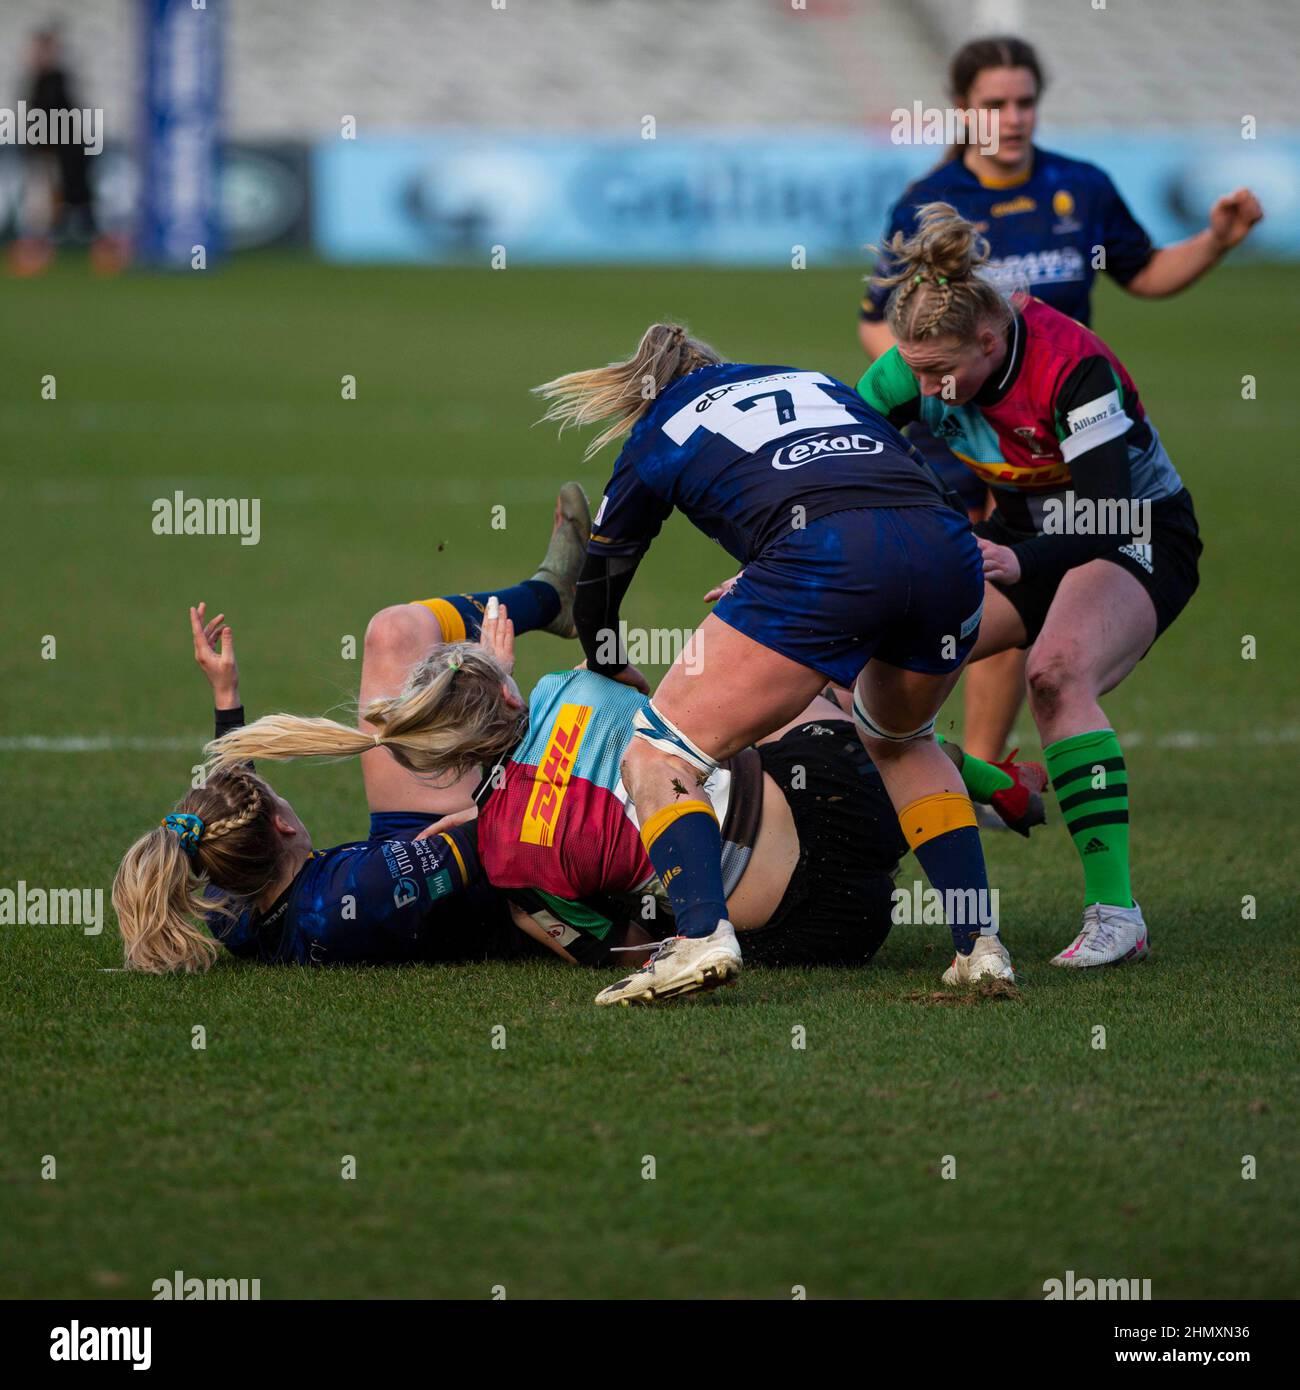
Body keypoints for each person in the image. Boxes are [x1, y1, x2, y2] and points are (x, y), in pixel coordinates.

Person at [528, 322, 1012, 1000]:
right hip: (946, 548)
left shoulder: (661, 426)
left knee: (659, 754)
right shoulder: (814, 381)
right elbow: (898, 474)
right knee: (901, 743)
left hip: (828, 556)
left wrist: (604, 657)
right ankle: (980, 945)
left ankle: (700, 939)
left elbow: (600, 578)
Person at [857, 34, 1262, 773]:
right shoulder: (923, 205)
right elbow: (883, 325)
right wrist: (932, 382)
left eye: (1024, 102)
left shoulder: (1082, 186)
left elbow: (1142, 274)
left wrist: (1214, 241)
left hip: (1062, 423)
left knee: (1025, 583)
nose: (1013, 118)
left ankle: (983, 764)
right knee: (972, 586)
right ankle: (980, 770)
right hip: (964, 430)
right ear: (962, 111)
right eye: (995, 104)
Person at [858, 203, 1202, 967]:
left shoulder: (1072, 367)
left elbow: (1108, 509)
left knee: (1055, 672)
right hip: (1019, 538)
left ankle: (1118, 915)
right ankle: (992, 783)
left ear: (990, 338)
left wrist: (1025, 561)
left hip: (1135, 533)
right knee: (876, 670)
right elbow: (844, 455)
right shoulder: (916, 365)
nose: (931, 392)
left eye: (944, 374)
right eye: (918, 375)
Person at [111, 490, 591, 972]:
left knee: (392, 632)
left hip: (406, 840)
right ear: (280, 825)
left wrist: (226, 696)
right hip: (502, 868)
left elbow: (232, 807)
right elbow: (496, 835)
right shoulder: (354, 895)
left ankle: (551, 597)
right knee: (586, 701)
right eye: (277, 802)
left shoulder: (232, 899)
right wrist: (497, 684)